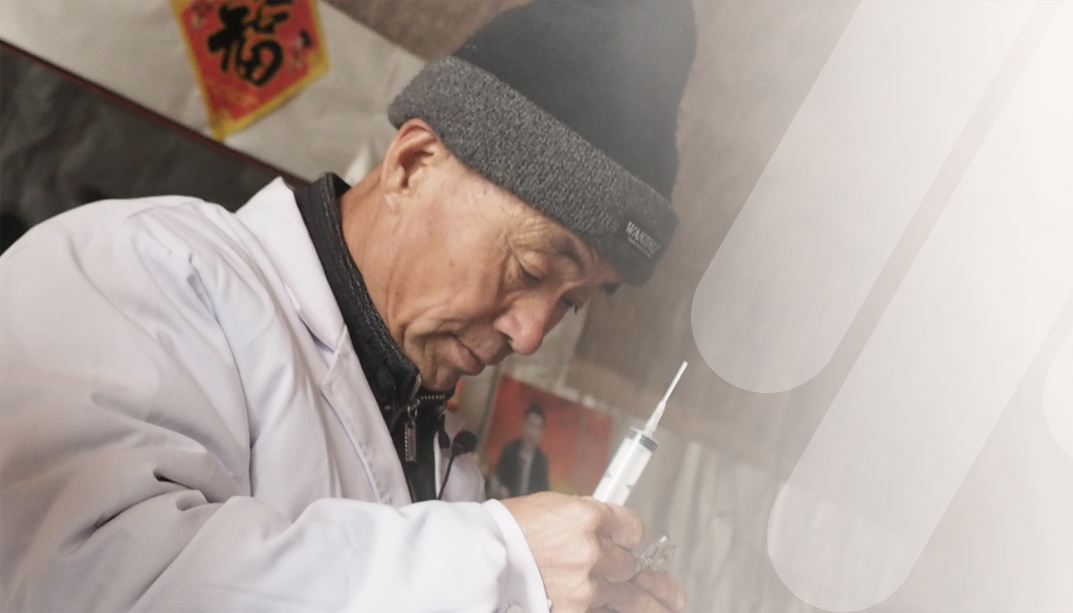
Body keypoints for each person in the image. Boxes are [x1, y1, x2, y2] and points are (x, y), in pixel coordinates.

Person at [0, 0, 694, 611]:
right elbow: (79, 583)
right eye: (531, 269)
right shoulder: (142, 268)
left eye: (573, 304)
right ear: (413, 164)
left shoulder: (451, 475)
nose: (533, 332)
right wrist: (497, 563)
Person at [495, 405, 553, 498]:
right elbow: (498, 478)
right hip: (506, 501)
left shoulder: (542, 461)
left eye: (537, 428)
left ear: (541, 432)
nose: (533, 432)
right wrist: (500, 489)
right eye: (531, 425)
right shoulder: (509, 450)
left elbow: (544, 491)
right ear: (523, 425)